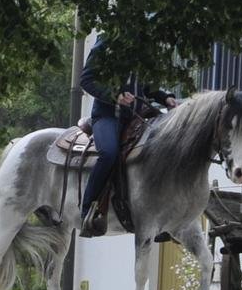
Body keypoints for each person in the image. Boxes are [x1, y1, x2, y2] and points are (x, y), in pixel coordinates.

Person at [75, 34, 176, 232]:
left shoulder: (143, 46)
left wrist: (166, 98)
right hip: (107, 116)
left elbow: (146, 86)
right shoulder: (106, 42)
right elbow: (86, 80)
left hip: (135, 118)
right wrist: (116, 96)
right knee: (109, 153)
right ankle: (87, 211)